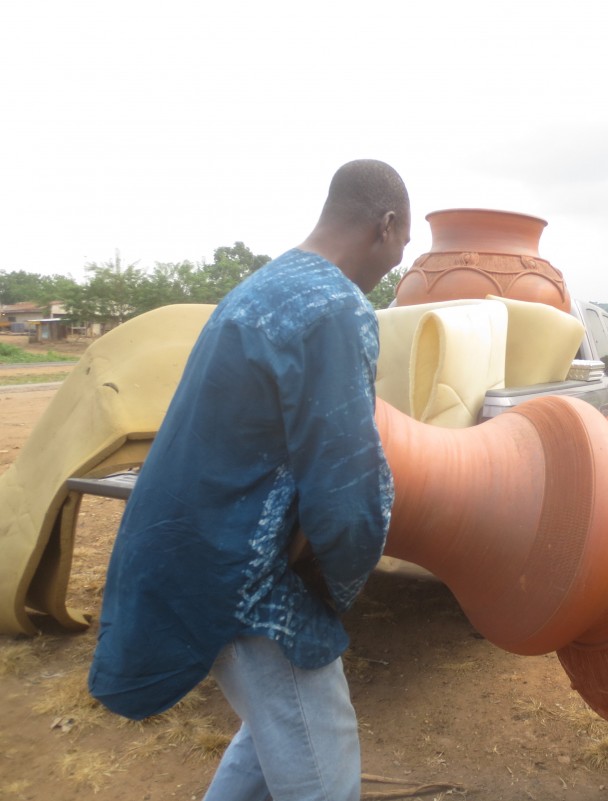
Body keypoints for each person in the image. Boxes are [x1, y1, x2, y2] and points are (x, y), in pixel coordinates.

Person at [88, 159, 412, 801]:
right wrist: (343, 582)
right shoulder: (333, 307)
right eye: (404, 242)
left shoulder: (265, 287)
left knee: (269, 739)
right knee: (324, 775)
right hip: (244, 577)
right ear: (386, 224)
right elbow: (345, 487)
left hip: (192, 552)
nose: (400, 259)